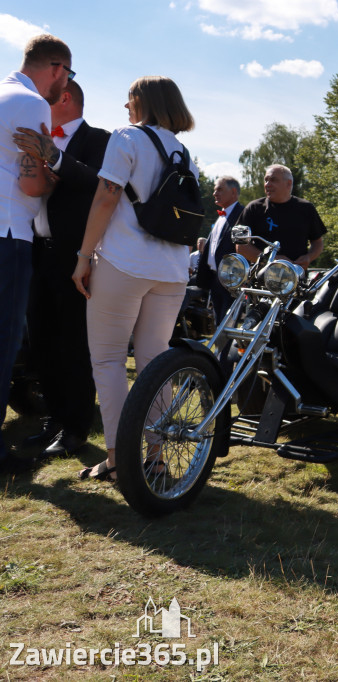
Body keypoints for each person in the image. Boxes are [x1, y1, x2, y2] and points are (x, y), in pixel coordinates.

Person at [70, 76, 197, 482]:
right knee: (154, 363)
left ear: (143, 101)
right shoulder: (185, 152)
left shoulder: (127, 137)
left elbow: (107, 196)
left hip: (124, 263)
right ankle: (156, 458)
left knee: (107, 360)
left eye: (130, 99)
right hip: (173, 272)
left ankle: (116, 458)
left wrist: (83, 255)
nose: (126, 107)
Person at [15, 80, 109, 459]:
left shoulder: (100, 139)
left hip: (76, 256)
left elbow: (100, 184)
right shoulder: (32, 135)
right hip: (36, 251)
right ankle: (53, 420)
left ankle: (76, 428)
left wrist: (53, 157)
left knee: (73, 344)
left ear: (65, 98)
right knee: (42, 342)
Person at [0, 34, 73, 473]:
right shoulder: (31, 104)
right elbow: (31, 183)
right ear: (58, 69)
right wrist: (54, 180)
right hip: (8, 232)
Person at [236, 164, 324, 269]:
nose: (267, 184)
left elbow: (317, 242)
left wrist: (309, 257)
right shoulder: (254, 208)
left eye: (273, 180)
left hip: (295, 277)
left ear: (288, 183)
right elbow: (241, 246)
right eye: (266, 180)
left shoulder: (306, 209)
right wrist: (271, 260)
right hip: (260, 276)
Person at [196, 175, 242, 323]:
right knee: (218, 322)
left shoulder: (242, 214)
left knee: (227, 324)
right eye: (215, 190)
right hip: (215, 278)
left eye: (220, 189)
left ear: (234, 192)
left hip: (231, 280)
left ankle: (226, 347)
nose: (215, 193)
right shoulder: (221, 215)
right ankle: (221, 347)